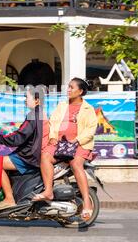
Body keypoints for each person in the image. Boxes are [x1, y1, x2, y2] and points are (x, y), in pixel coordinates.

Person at [32, 78, 98, 221]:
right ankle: (48, 191)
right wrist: (52, 137)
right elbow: (53, 123)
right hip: (60, 144)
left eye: (71, 87)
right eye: (68, 87)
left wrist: (77, 140)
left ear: (80, 91)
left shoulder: (88, 109)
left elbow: (91, 130)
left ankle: (86, 201)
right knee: (44, 156)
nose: (68, 90)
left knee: (75, 164)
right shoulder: (62, 105)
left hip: (80, 145)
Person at [0, 88, 48, 211]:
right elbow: (22, 134)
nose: (25, 100)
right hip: (30, 153)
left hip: (27, 156)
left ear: (36, 100)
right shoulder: (39, 113)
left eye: (27, 98)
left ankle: (9, 199)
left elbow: (20, 137)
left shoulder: (33, 115)